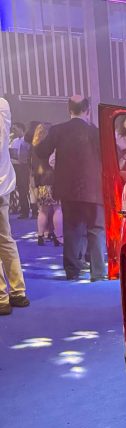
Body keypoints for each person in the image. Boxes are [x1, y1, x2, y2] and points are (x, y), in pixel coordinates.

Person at [35, 95, 106, 281]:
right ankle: (98, 273)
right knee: (96, 229)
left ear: (69, 110)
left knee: (71, 229)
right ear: (87, 110)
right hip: (94, 188)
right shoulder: (95, 132)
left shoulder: (58, 130)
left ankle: (72, 271)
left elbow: (41, 151)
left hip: (68, 189)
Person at [0, 97, 30, 315]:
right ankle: (18, 292)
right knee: (6, 239)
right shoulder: (3, 105)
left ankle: (1, 297)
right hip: (3, 183)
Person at [30, 123, 63, 247]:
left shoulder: (34, 147)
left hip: (41, 181)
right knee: (57, 208)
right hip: (53, 180)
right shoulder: (51, 147)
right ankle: (58, 236)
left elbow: (32, 166)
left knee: (43, 210)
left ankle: (40, 236)